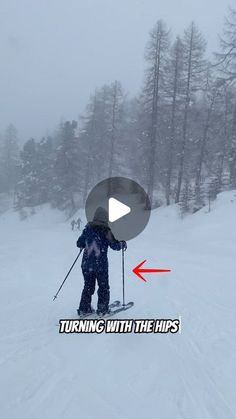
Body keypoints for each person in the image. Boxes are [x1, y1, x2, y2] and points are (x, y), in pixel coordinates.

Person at [76, 207, 127, 316]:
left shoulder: (87, 229)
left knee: (88, 286)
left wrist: (86, 243)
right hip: (100, 266)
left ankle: (84, 309)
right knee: (103, 287)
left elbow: (79, 243)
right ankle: (103, 310)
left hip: (86, 265)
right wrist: (122, 244)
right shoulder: (105, 231)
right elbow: (115, 245)